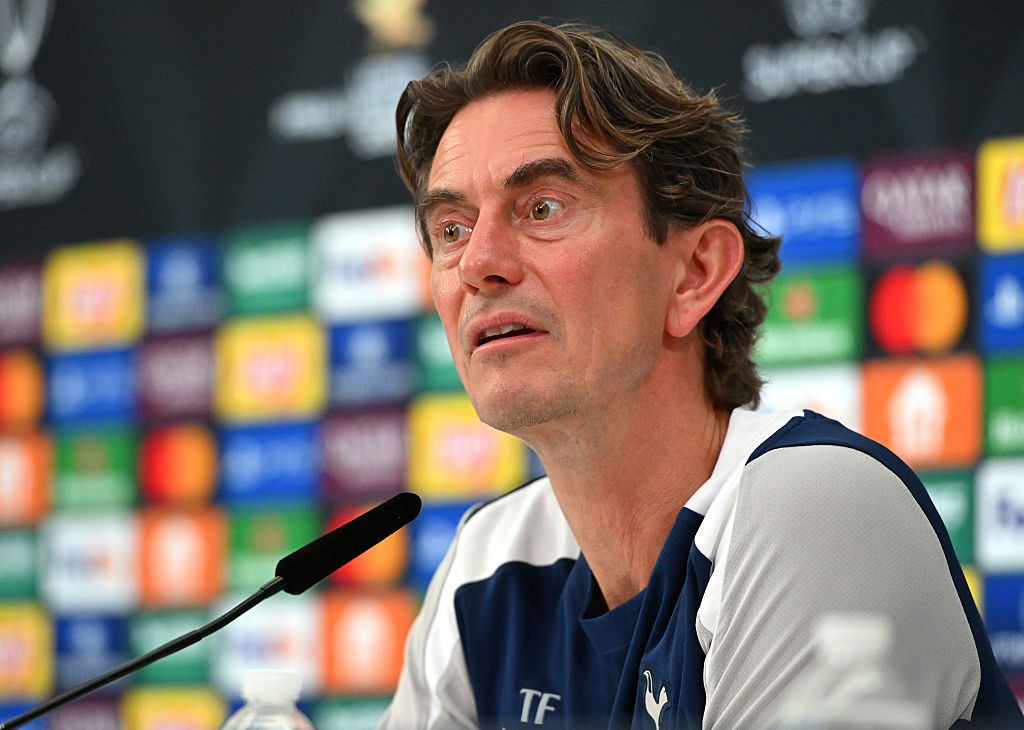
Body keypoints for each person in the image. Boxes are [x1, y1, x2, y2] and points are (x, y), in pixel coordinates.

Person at [379, 20, 1022, 729]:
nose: (477, 264)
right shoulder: (490, 566)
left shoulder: (815, 503)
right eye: (451, 229)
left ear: (695, 272)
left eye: (542, 208)